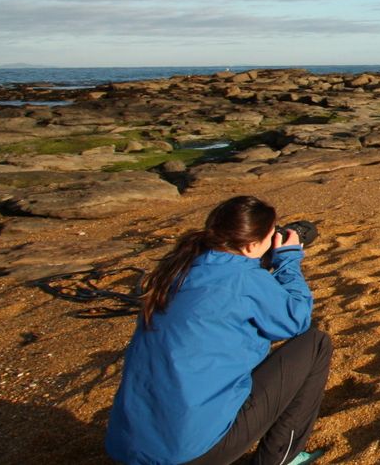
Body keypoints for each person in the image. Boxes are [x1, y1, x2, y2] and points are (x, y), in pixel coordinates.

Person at [106, 196, 332, 465]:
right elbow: (295, 321)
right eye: (272, 234)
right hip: (190, 454)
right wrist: (288, 261)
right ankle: (281, 459)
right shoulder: (243, 279)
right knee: (315, 344)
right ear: (250, 244)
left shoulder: (177, 269)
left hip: (128, 448)